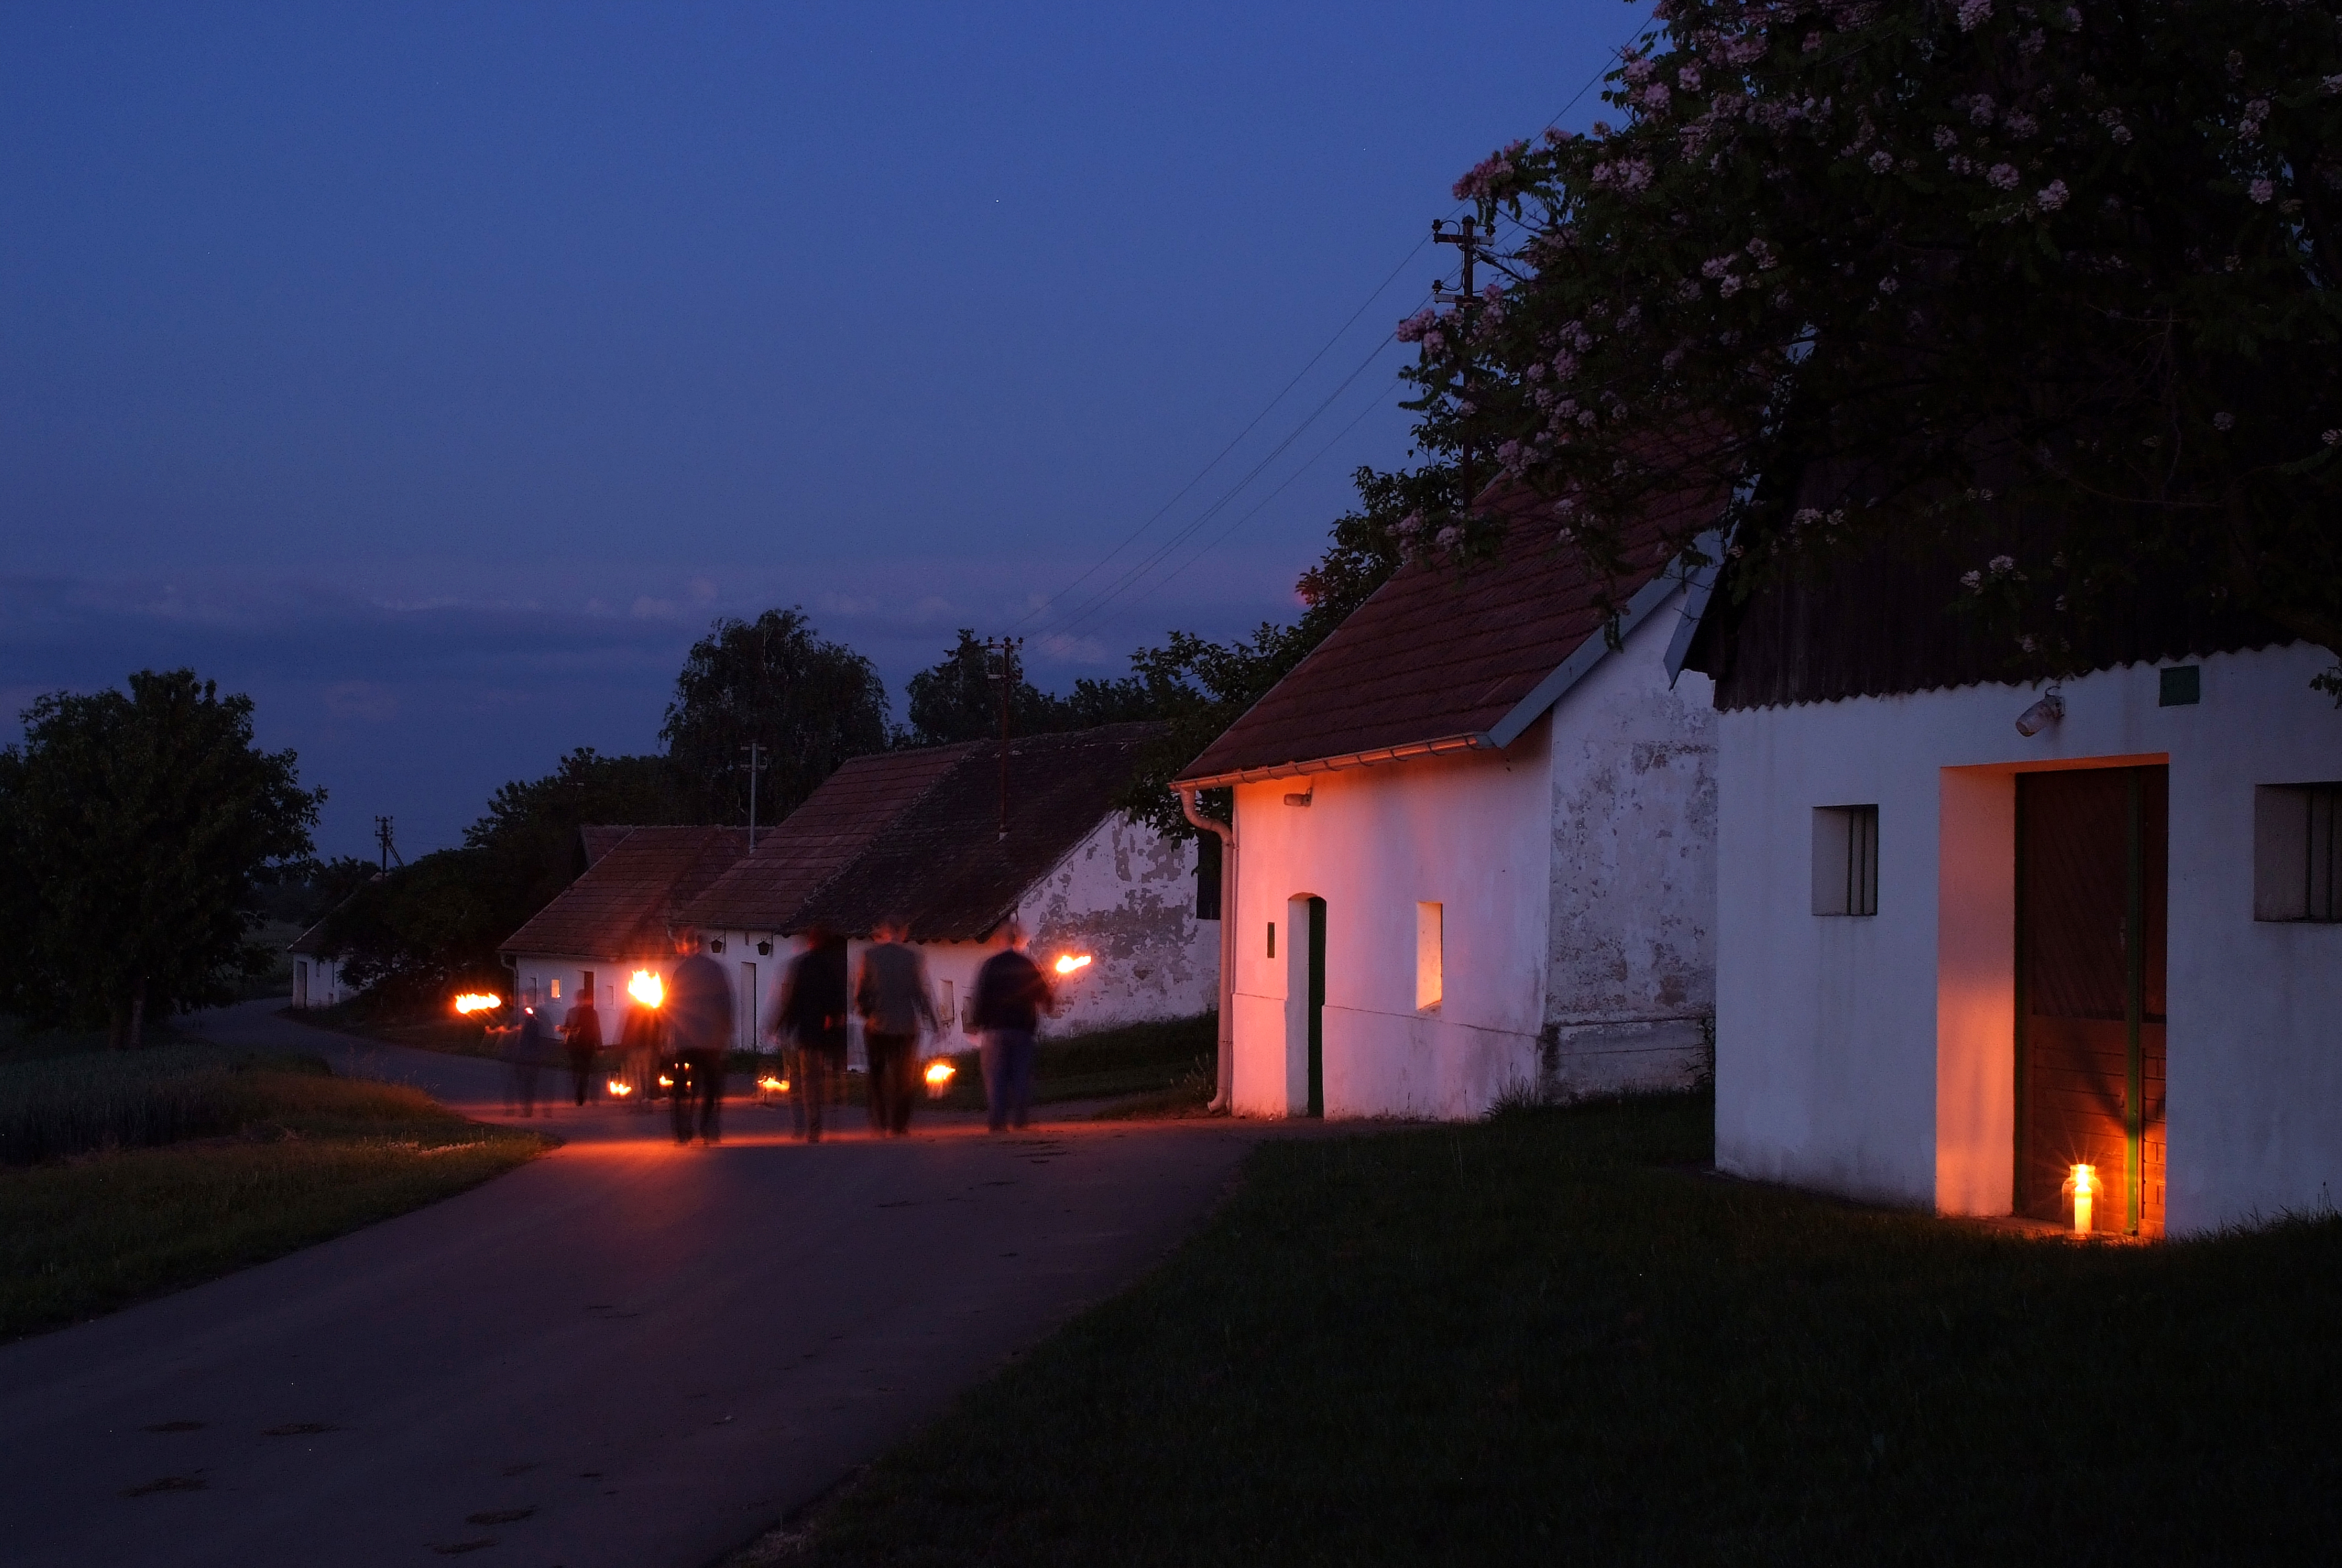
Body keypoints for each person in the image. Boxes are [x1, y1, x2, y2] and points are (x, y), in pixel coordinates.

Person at [855, 919, 940, 1137]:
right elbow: (920, 994)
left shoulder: (870, 956)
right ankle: (899, 1125)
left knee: (877, 1075)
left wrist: (868, 1014)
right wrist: (933, 1022)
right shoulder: (912, 958)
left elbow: (861, 993)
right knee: (904, 1078)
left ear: (883, 932)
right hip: (906, 1027)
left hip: (877, 1027)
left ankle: (879, 1123)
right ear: (902, 933)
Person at [970, 921, 1054, 1134]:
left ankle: (997, 1120)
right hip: (1022, 1027)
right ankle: (1020, 1119)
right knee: (1021, 1073)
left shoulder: (990, 965)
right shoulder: (1028, 964)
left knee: (996, 1075)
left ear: (1000, 940)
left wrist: (976, 1023)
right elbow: (1042, 991)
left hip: (995, 1029)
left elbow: (981, 996)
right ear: (1018, 939)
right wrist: (1049, 1003)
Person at [773, 925, 849, 1142]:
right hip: (830, 1031)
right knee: (830, 1076)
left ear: (810, 942)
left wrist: (781, 1026)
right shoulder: (834, 966)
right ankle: (832, 1120)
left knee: (808, 1080)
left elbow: (791, 1001)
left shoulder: (802, 966)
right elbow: (838, 998)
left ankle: (812, 1127)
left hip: (807, 1031)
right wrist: (835, 1018)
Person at [665, 935, 734, 1146]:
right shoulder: (717, 970)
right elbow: (726, 1004)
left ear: (687, 947)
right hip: (710, 1041)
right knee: (712, 1085)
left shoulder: (680, 971)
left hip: (685, 1041)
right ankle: (708, 1127)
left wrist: (669, 1036)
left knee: (679, 1087)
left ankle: (682, 1130)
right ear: (703, 946)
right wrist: (726, 1032)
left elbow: (669, 1004)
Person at [617, 985, 662, 1113]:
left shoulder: (634, 1011)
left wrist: (623, 1047)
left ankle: (639, 1100)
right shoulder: (653, 1012)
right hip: (648, 1048)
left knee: (636, 1075)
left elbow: (628, 1030)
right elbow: (657, 1031)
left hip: (636, 1048)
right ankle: (646, 1101)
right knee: (646, 1075)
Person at [507, 1002, 549, 1118]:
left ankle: (527, 1111)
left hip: (527, 1059)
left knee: (526, 1086)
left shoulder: (531, 1024)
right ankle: (529, 1110)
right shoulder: (534, 1024)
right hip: (531, 1058)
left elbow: (524, 1043)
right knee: (529, 1085)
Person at [563, 992, 603, 1107]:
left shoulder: (571, 1012)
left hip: (575, 1045)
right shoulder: (593, 1013)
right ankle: (582, 1092)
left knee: (576, 1067)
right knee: (585, 1070)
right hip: (587, 1045)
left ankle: (578, 1089)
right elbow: (597, 1030)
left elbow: (567, 1027)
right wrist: (599, 1046)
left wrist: (565, 1032)